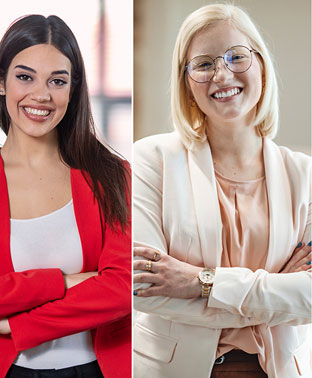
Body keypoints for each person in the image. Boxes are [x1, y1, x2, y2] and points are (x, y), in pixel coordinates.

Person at [132, 4, 311, 378]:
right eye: (204, 64)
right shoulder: (150, 160)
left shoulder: (304, 174)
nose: (222, 73)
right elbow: (146, 289)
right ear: (186, 81)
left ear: (261, 65)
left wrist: (199, 282)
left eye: (236, 57)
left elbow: (309, 298)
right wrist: (277, 287)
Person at [0, 15, 131, 378]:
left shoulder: (113, 175)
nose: (41, 95)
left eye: (57, 81)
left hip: (98, 369)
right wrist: (63, 281)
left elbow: (123, 286)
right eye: (24, 77)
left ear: (72, 90)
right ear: (1, 82)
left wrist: (18, 325)